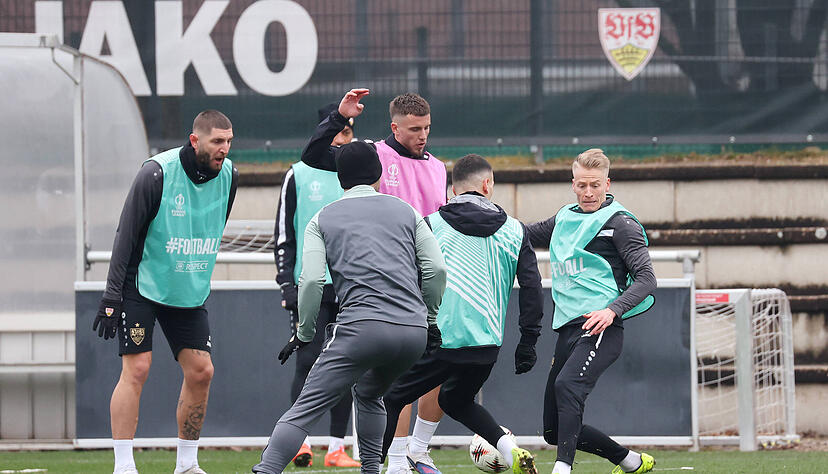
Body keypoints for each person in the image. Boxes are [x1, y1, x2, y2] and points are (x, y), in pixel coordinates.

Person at [252, 141, 448, 474]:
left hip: (361, 329)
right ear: (380, 173)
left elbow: (312, 281)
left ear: (340, 178)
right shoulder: (406, 210)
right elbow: (437, 270)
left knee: (304, 409)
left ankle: (267, 469)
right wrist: (428, 321)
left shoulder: (322, 218)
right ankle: (371, 469)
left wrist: (304, 334)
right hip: (412, 334)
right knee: (370, 392)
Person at [301, 88, 448, 474]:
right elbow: (314, 155)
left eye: (427, 128)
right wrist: (339, 117)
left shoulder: (438, 166)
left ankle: (418, 451)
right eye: (415, 129)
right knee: (387, 380)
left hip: (426, 283)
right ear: (394, 127)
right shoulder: (373, 155)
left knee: (434, 369)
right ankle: (393, 460)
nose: (423, 136)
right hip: (385, 283)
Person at [93, 110, 238, 474]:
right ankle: (124, 466)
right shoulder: (156, 173)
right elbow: (125, 236)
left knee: (202, 371)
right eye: (217, 141)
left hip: (187, 291)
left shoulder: (230, 175)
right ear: (195, 140)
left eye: (229, 141)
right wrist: (112, 297)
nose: (224, 149)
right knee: (138, 368)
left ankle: (187, 463)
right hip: (141, 285)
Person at [380, 155, 544, 474]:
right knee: (456, 401)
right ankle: (509, 450)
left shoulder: (428, 224)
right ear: (488, 185)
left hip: (439, 343)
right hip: (486, 348)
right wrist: (528, 342)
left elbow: (406, 279)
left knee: (389, 396)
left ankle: (389, 467)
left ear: (452, 191)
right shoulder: (515, 231)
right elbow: (532, 289)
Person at [526, 149, 657, 474]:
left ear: (607, 184)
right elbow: (522, 234)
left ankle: (562, 469)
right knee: (553, 430)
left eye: (595, 185)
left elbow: (647, 278)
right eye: (582, 185)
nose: (588, 192)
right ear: (573, 184)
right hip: (568, 330)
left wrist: (612, 311)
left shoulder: (620, 224)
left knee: (567, 387)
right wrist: (486, 216)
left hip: (602, 328)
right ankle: (631, 462)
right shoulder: (564, 219)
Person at [272, 103, 360, 468]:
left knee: (347, 366)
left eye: (349, 131)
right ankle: (300, 441)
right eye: (339, 130)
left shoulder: (357, 172)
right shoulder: (298, 173)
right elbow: (284, 233)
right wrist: (285, 284)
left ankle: (337, 448)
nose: (345, 137)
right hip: (310, 284)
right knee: (306, 362)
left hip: (351, 285)